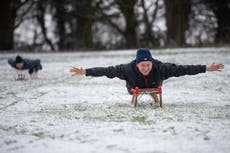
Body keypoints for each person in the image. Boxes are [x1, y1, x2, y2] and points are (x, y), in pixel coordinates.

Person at [70, 48, 224, 103]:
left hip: (154, 85)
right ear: (136, 64)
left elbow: (183, 69)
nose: (145, 68)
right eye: (142, 65)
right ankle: (136, 94)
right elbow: (106, 71)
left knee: (155, 87)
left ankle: (154, 95)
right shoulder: (127, 69)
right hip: (134, 87)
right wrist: (86, 71)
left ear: (152, 63)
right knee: (135, 89)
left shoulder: (161, 68)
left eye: (148, 65)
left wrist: (205, 68)